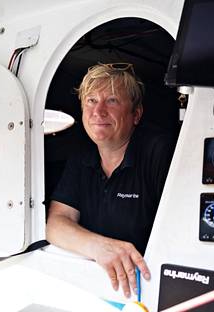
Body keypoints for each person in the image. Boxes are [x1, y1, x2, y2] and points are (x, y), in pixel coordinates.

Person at [46, 63, 175, 298]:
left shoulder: (160, 153)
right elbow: (56, 224)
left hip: (146, 288)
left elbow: (177, 237)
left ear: (136, 114)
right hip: (90, 285)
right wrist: (100, 248)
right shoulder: (82, 155)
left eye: (112, 100)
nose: (98, 111)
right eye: (91, 100)